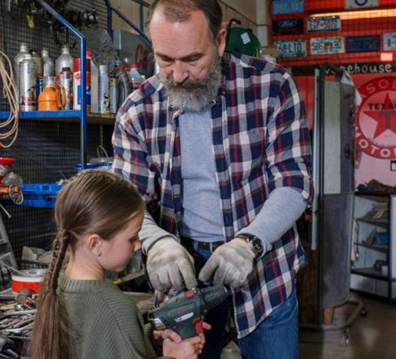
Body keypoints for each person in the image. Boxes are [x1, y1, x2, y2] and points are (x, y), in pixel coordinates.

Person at [112, 0, 313, 358]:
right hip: (183, 274)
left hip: (264, 267)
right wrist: (155, 240)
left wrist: (249, 242)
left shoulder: (272, 87)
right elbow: (127, 201)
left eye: (192, 59)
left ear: (219, 41)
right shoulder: (137, 111)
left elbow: (294, 183)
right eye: (165, 60)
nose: (177, 75)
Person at [30, 170, 208, 359]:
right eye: (132, 238)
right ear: (96, 244)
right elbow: (111, 329)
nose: (139, 245)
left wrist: (150, 335)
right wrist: (175, 357)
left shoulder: (58, 284)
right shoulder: (114, 309)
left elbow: (98, 344)